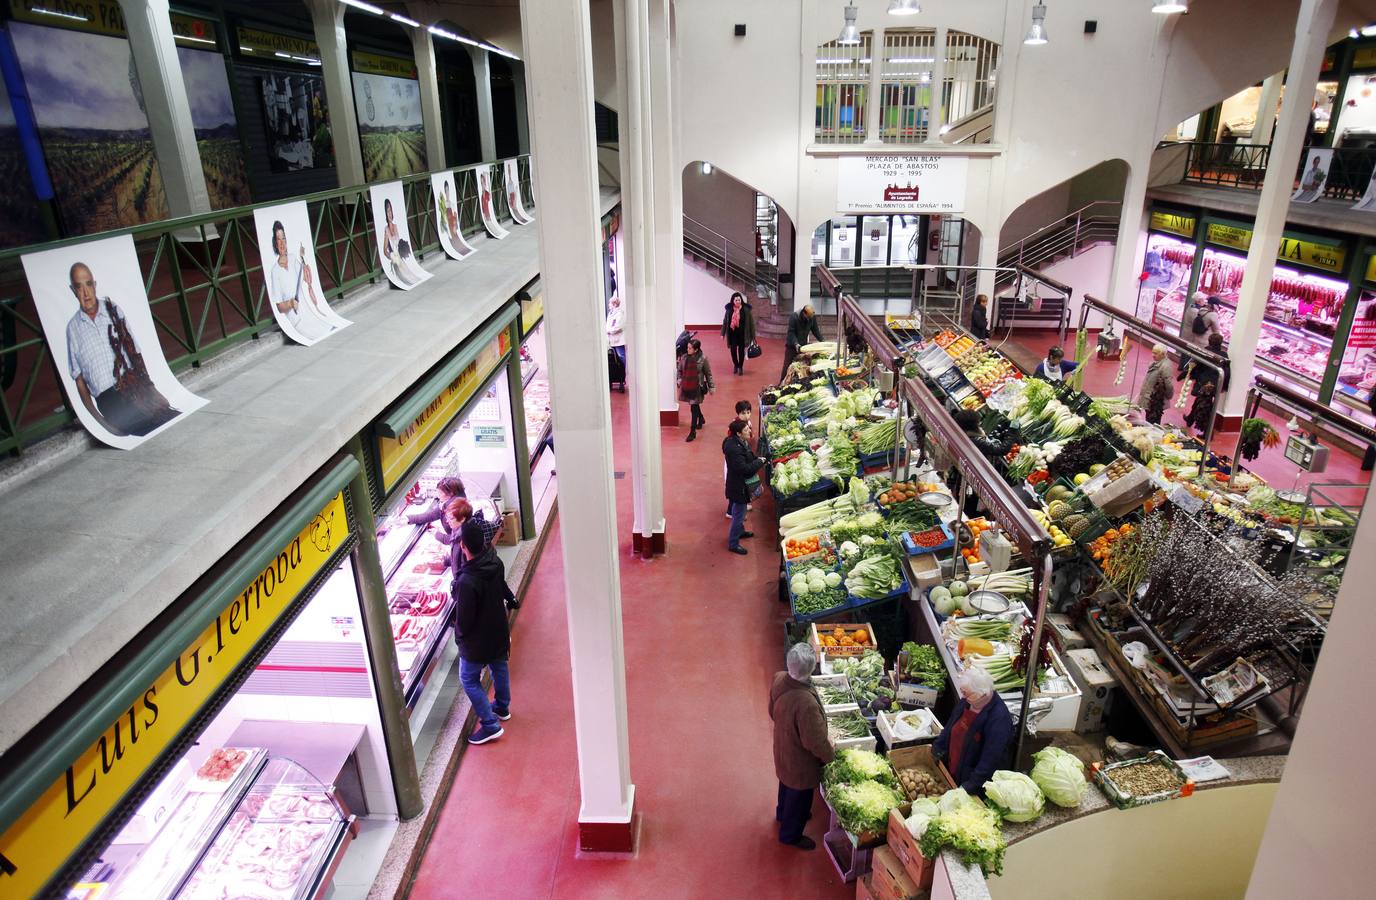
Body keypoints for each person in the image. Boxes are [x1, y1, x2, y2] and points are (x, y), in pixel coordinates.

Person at [64, 262, 179, 438]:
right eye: (79, 287)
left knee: (168, 419)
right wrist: (101, 422)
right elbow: (79, 381)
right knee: (148, 428)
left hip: (135, 388)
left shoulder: (113, 309)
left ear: (95, 285)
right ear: (73, 290)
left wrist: (152, 390)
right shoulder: (73, 328)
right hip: (109, 401)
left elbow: (135, 352)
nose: (86, 293)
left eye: (88, 284)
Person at [453, 519, 513, 745]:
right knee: (499, 667)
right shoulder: (495, 562)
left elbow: (464, 619)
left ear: (463, 546)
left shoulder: (467, 580)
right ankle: (502, 707)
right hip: (498, 630)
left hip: (477, 643)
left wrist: (460, 639)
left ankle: (490, 725)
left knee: (468, 678)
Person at [770, 643, 833, 850]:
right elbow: (814, 741)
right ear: (812, 669)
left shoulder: (778, 678)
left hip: (783, 746)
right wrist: (830, 757)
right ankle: (790, 835)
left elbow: (772, 710)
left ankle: (782, 813)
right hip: (801, 761)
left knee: (785, 783)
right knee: (800, 795)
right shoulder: (806, 703)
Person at [932, 667, 1014, 797]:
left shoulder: (998, 720)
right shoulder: (967, 701)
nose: (963, 696)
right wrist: (937, 748)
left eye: (967, 694)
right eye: (963, 692)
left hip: (971, 783)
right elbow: (949, 727)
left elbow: (990, 761)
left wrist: (968, 787)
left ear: (983, 694)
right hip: (952, 770)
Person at [266, 220, 333, 341]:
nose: (282, 243)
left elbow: (306, 279)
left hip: (309, 314)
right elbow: (279, 307)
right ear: (275, 243)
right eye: (278, 240)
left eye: (283, 238)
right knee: (320, 336)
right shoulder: (275, 271)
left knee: (329, 331)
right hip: (297, 319)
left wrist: (303, 258)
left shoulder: (292, 258)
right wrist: (290, 304)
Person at [723, 418, 765, 555]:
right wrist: (759, 462)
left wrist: (759, 459)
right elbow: (745, 469)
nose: (749, 431)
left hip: (738, 485)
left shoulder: (739, 442)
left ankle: (740, 532)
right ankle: (733, 543)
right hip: (739, 487)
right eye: (746, 430)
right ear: (739, 433)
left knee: (739, 512)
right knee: (739, 515)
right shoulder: (735, 449)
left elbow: (748, 457)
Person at [1184, 333, 1231, 436]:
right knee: (1200, 402)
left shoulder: (1206, 351)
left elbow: (1197, 365)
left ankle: (1207, 433)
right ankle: (1190, 419)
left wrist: (1191, 375)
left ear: (1209, 341)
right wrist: (1224, 386)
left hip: (1204, 383)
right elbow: (1227, 372)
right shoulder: (1224, 356)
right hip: (1216, 384)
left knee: (1206, 407)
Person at [405, 476, 467, 545]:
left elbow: (458, 539)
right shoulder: (446, 505)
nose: (438, 496)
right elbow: (430, 515)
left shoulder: (457, 510)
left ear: (450, 493)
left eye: (440, 493)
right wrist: (408, 519)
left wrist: (437, 534)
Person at [678, 337, 715, 442]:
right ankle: (701, 418)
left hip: (697, 387)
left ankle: (692, 432)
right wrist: (679, 379)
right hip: (687, 385)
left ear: (696, 349)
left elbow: (708, 374)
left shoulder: (703, 359)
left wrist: (711, 386)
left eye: (690, 348)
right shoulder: (684, 357)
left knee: (693, 408)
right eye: (687, 347)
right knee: (694, 405)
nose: (687, 350)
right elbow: (679, 370)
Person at [781, 304, 824, 382]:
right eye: (808, 317)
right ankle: (781, 383)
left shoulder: (812, 317)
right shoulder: (794, 317)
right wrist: (796, 343)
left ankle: (796, 382)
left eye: (810, 317)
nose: (809, 319)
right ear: (804, 313)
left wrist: (823, 341)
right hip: (792, 346)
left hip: (803, 346)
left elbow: (815, 331)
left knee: (802, 366)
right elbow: (791, 333)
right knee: (787, 365)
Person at [726, 400, 754, 518]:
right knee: (736, 488)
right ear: (738, 413)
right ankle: (730, 512)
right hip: (735, 460)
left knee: (744, 485)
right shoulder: (735, 426)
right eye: (743, 413)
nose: (746, 415)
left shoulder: (748, 423)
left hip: (742, 456)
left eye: (748, 412)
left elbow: (750, 437)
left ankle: (743, 505)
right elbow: (731, 442)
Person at [721, 291, 757, 376]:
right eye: (736, 300)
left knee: (741, 351)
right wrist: (722, 333)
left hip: (743, 334)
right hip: (732, 334)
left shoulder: (746, 310)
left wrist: (753, 336)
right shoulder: (729, 310)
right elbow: (725, 322)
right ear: (733, 301)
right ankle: (736, 365)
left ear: (741, 300)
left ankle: (740, 366)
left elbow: (751, 324)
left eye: (739, 300)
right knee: (733, 350)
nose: (738, 301)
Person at [1137, 344, 1174, 425]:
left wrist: (1169, 396)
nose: (1153, 355)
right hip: (1150, 398)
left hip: (1155, 401)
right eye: (1153, 352)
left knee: (1153, 421)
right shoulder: (1157, 362)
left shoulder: (1165, 366)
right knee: (1149, 418)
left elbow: (1168, 384)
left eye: (1156, 353)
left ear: (1163, 354)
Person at [606, 296, 627, 370]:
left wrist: (609, 331)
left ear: (614, 304)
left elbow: (618, 326)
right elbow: (607, 325)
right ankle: (618, 372)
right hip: (612, 340)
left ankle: (624, 372)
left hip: (618, 341)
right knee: (615, 358)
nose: (608, 305)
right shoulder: (610, 314)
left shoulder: (619, 314)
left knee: (621, 357)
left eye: (610, 303)